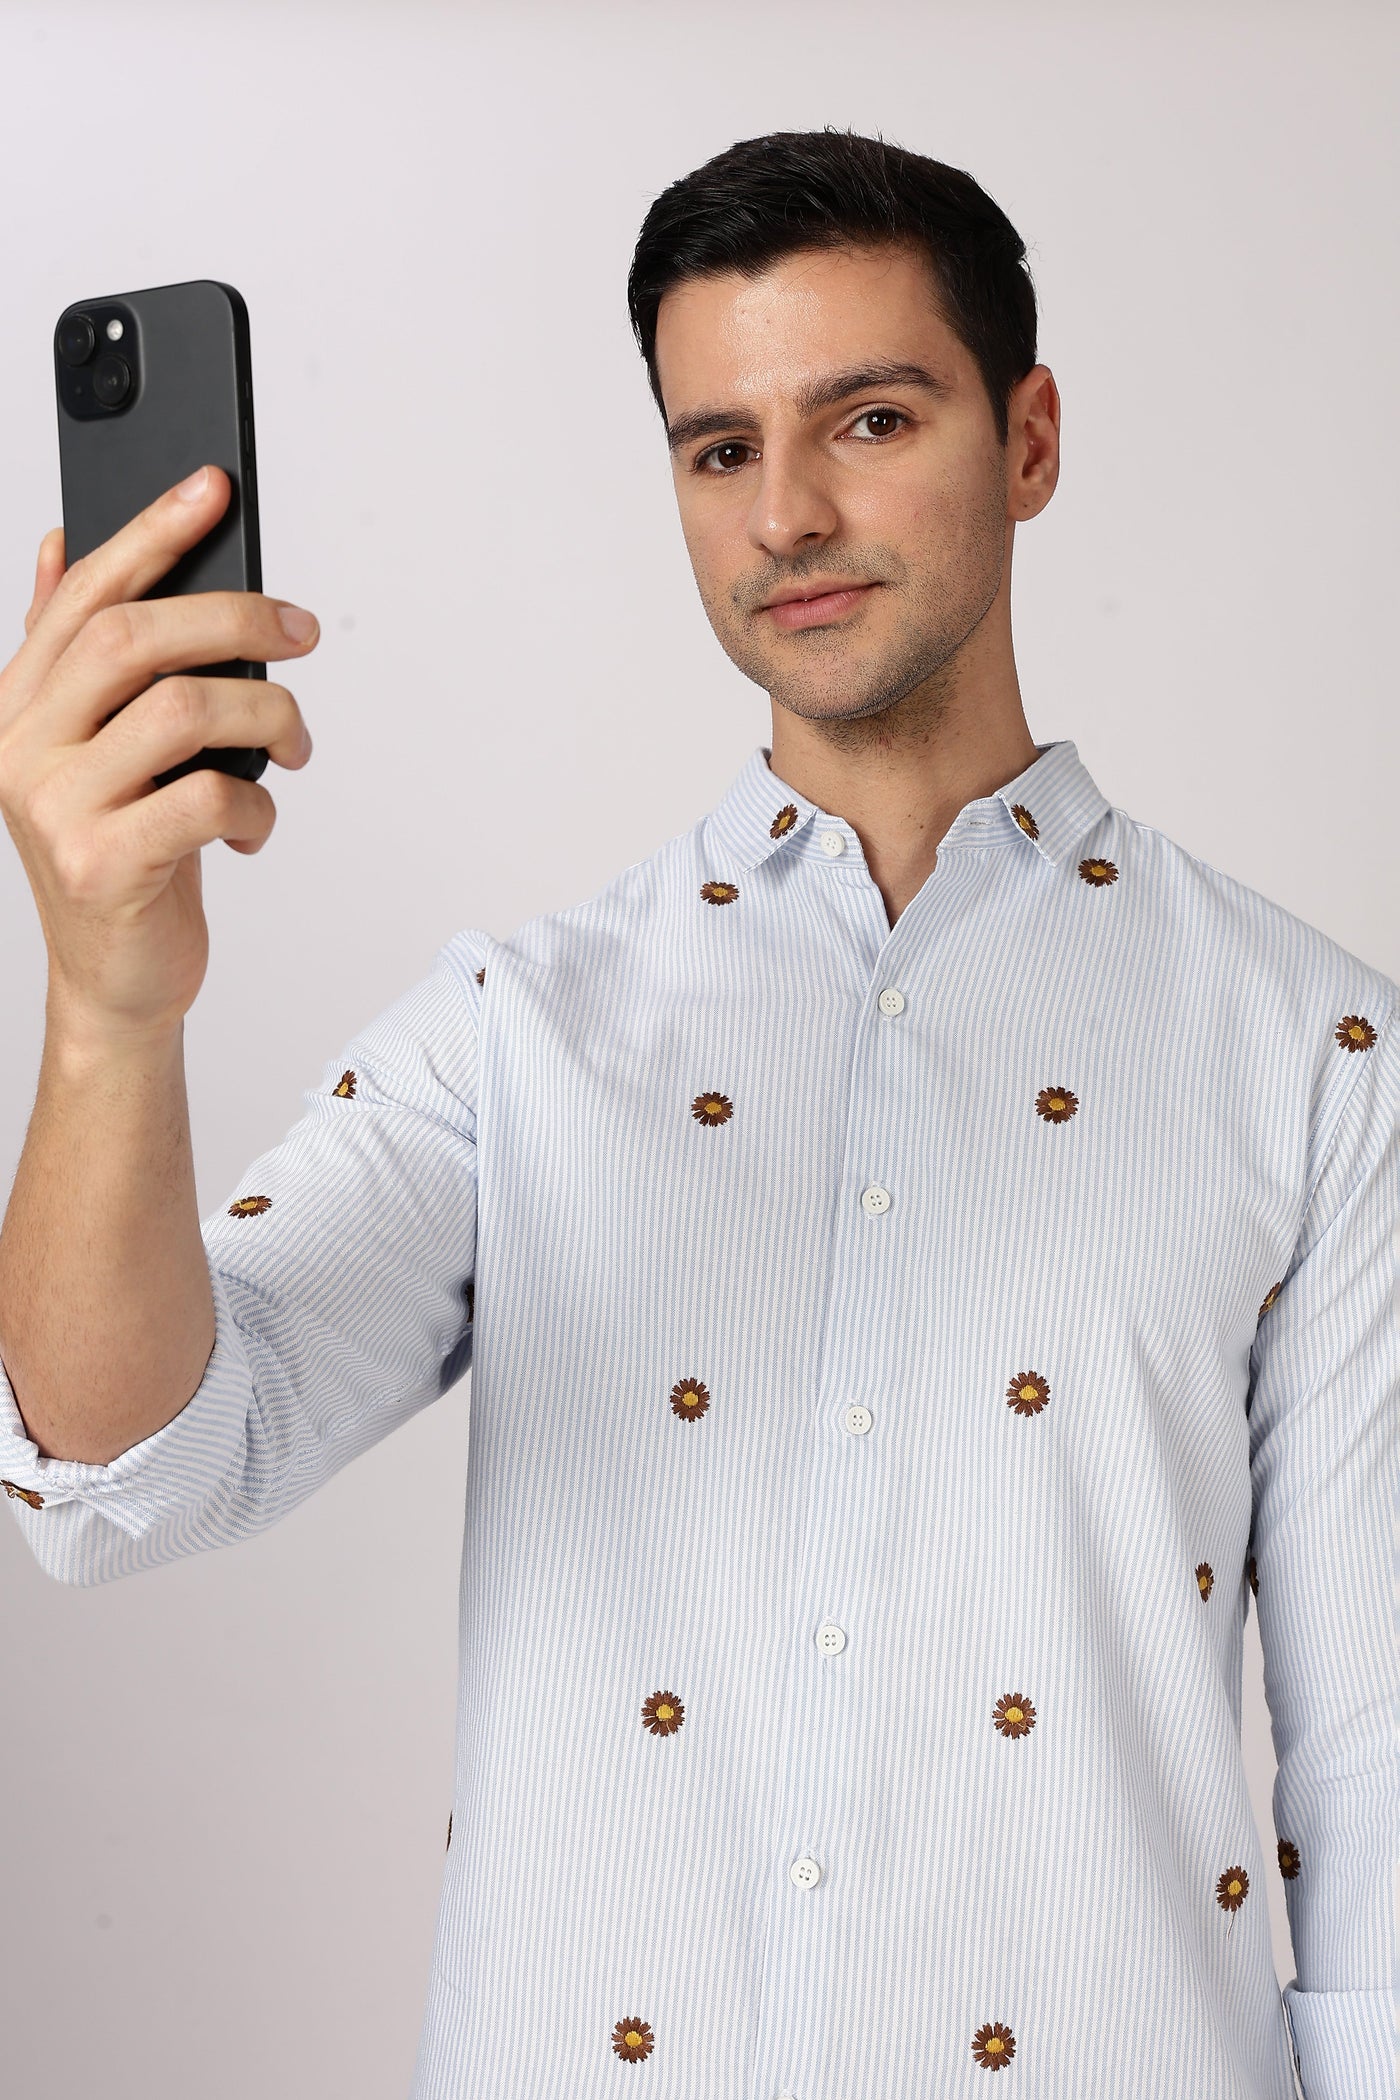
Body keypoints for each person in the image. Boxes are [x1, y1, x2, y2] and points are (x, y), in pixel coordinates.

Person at [0, 126, 1392, 2100]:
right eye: (719, 448)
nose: (788, 515)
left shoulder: (1314, 1051)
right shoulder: (522, 1030)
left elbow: (1374, 1770)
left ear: (1029, 441)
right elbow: (118, 1471)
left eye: (871, 420)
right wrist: (102, 1011)